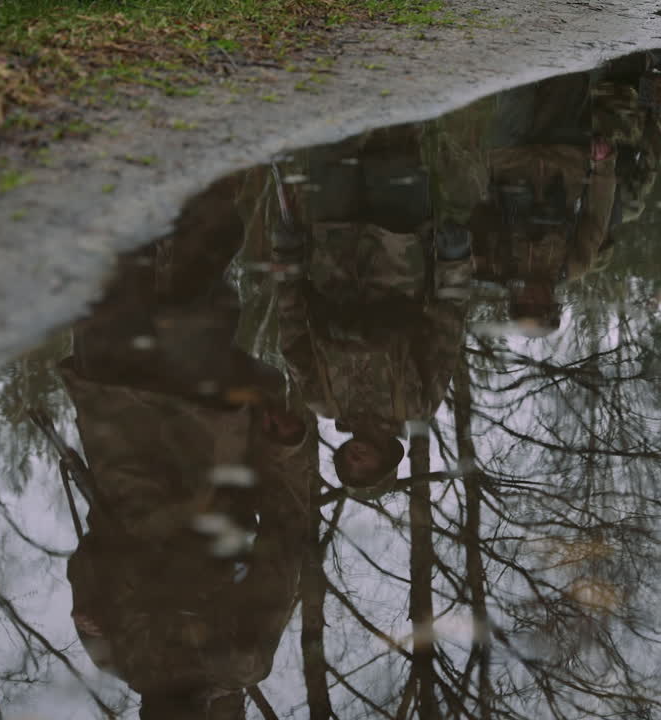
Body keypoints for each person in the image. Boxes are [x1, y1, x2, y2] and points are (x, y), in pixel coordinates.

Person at [57, 177, 316, 719]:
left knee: (114, 263)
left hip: (121, 427)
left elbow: (84, 567)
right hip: (194, 430)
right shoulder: (240, 659)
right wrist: (285, 448)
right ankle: (205, 151)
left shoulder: (117, 658)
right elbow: (286, 535)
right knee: (195, 274)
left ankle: (127, 150)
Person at [244, 124, 472, 497]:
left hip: (331, 246)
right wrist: (454, 263)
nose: (356, 458)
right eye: (365, 467)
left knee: (329, 145)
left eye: (348, 464)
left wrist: (287, 257)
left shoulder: (321, 399)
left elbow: (291, 324)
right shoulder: (417, 404)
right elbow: (447, 326)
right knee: (396, 141)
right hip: (401, 248)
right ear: (387, 460)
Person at [468, 51, 661, 336]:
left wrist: (478, 258)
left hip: (509, 157)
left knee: (516, 81)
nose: (533, 298)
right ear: (553, 302)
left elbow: (467, 220)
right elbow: (597, 211)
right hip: (564, 159)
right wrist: (602, 165)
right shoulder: (574, 264)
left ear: (516, 301)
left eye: (525, 304)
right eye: (541, 305)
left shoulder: (496, 265)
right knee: (568, 76)